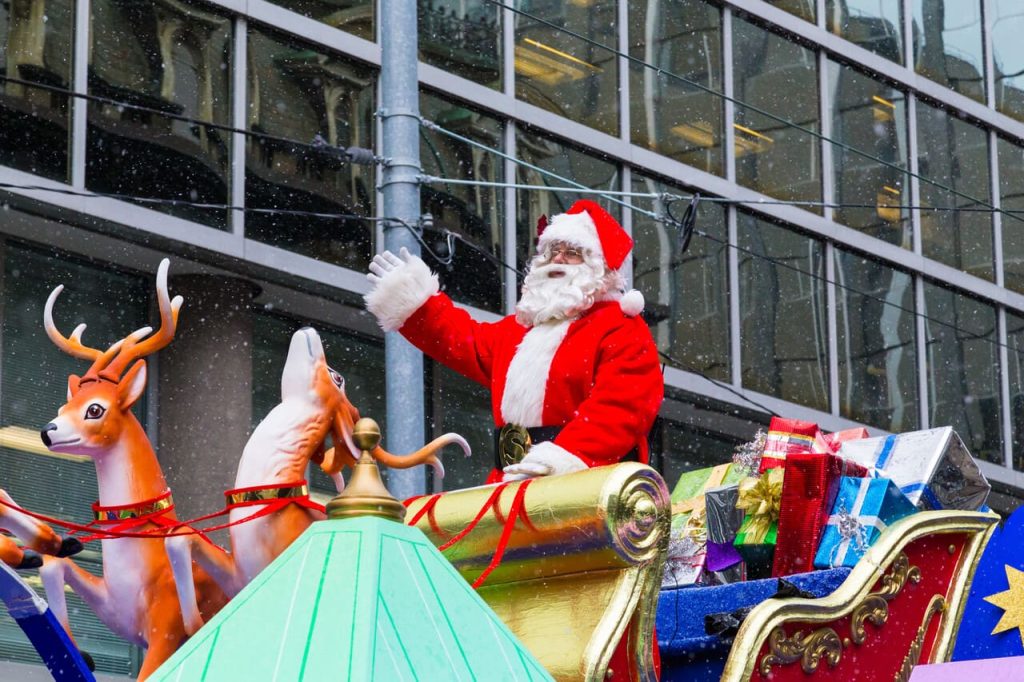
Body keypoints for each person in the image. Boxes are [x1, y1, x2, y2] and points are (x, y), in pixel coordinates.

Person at [364, 199, 664, 483]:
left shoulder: (620, 328)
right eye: (551, 250)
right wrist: (416, 303)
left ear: (599, 268)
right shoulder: (518, 331)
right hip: (509, 483)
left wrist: (563, 457)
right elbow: (462, 340)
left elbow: (620, 409)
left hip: (585, 484)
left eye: (571, 251)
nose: (558, 258)